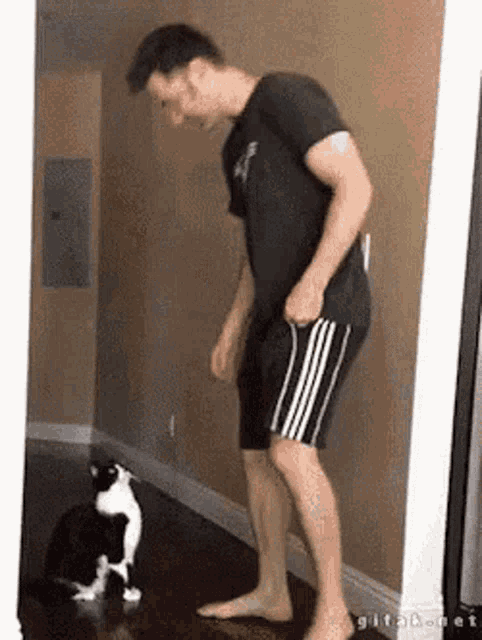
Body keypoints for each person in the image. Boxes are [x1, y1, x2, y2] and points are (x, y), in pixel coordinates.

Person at [126, 23, 372, 640]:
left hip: (321, 309)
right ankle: (272, 591)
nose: (175, 118)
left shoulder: (288, 97)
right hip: (271, 316)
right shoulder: (236, 147)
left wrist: (314, 282)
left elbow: (355, 183)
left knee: (290, 450)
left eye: (171, 102)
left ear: (196, 73)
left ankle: (335, 612)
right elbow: (256, 249)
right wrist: (233, 328)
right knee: (258, 456)